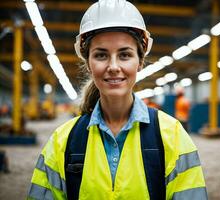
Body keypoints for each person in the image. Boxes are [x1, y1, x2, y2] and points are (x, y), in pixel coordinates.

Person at [27, 0, 207, 199]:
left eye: (124, 55)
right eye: (101, 55)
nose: (113, 66)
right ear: (88, 64)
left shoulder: (172, 137)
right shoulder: (62, 142)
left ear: (140, 62)